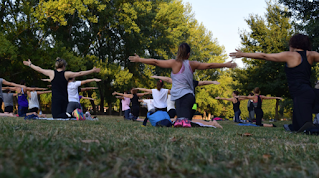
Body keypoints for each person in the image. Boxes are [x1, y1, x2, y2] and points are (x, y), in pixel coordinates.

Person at [129, 43, 236, 128]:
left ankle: (212, 124)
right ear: (188, 54)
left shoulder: (173, 63)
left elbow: (155, 62)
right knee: (182, 122)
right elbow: (209, 65)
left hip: (183, 98)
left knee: (184, 122)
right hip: (188, 98)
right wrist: (225, 64)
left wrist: (140, 60)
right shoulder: (192, 64)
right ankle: (209, 124)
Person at [230, 33, 318, 132]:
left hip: (301, 95)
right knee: (297, 127)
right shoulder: (312, 55)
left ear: (293, 44)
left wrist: (243, 54)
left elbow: (264, 56)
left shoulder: (290, 55)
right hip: (308, 93)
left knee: (307, 129)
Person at [23, 58, 100, 118]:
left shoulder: (51, 73)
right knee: (63, 115)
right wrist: (92, 71)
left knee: (56, 116)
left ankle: (74, 114)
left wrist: (30, 64)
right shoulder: (66, 74)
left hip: (56, 99)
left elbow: (39, 69)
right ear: (64, 66)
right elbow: (80, 73)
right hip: (64, 99)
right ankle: (79, 114)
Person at [151, 75, 220, 119]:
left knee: (192, 111)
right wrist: (213, 82)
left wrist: (212, 82)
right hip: (189, 102)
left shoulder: (189, 82)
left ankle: (187, 118)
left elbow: (203, 83)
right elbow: (168, 79)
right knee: (189, 112)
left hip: (190, 102)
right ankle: (186, 118)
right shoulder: (187, 82)